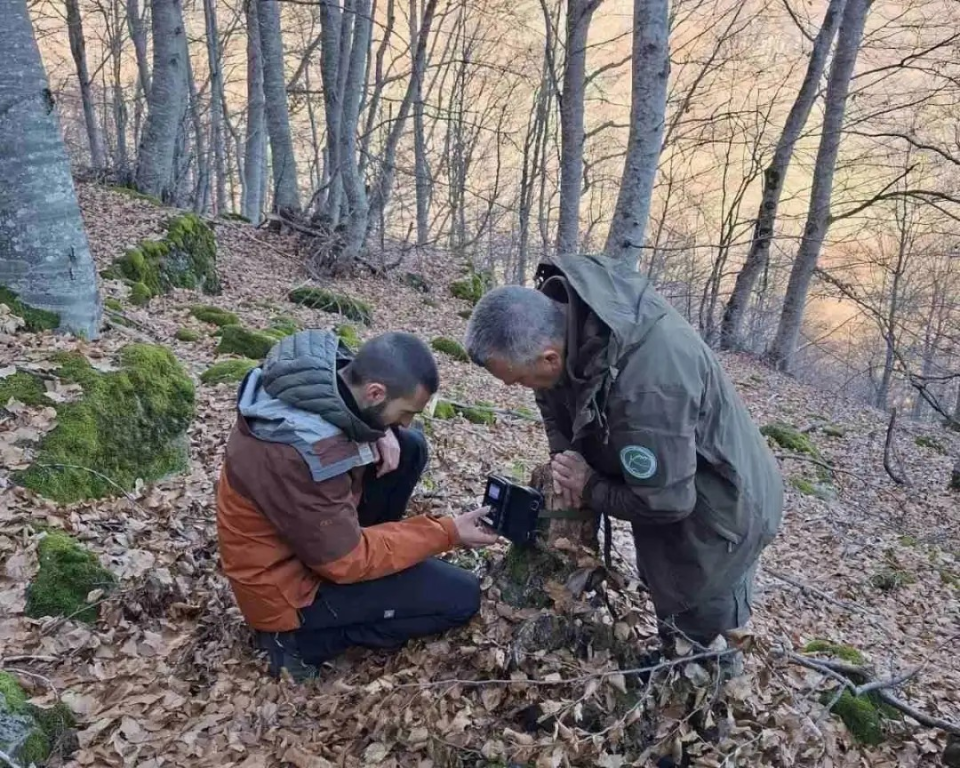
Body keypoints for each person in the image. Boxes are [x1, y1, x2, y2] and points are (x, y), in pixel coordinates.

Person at [464, 254, 784, 660]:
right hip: (672, 475)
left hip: (725, 506)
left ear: (549, 358)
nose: (518, 388)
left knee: (699, 614)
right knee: (665, 582)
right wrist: (564, 456)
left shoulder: (645, 389)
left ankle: (707, 679)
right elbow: (552, 398)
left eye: (519, 380)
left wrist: (589, 485)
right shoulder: (565, 323)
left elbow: (666, 502)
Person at [215, 329, 498, 679]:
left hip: (310, 537)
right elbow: (345, 561)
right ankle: (296, 644)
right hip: (289, 594)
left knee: (409, 446)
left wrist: (378, 430)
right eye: (405, 411)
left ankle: (375, 569)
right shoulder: (297, 453)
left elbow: (358, 421)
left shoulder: (327, 374)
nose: (406, 421)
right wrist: (447, 532)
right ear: (375, 392)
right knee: (461, 596)